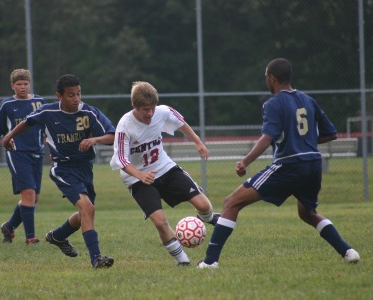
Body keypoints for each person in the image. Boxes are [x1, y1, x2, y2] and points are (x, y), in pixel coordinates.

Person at [197, 58, 360, 269]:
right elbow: (331, 134)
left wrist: (245, 162)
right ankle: (348, 251)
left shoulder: (273, 103)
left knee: (231, 203)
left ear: (271, 78)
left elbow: (267, 138)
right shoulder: (309, 101)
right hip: (313, 164)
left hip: (289, 165)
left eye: (266, 77)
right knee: (307, 213)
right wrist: (305, 141)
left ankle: (209, 262)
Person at [3, 74, 115, 269]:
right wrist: (8, 137)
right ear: (59, 96)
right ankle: (96, 258)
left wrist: (94, 140)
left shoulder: (89, 112)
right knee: (88, 209)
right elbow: (27, 122)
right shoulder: (48, 111)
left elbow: (112, 135)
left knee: (84, 214)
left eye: (79, 94)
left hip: (85, 169)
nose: (76, 99)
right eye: (71, 95)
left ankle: (58, 236)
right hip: (62, 168)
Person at [110, 81, 219, 266]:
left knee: (204, 205)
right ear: (135, 107)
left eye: (152, 108)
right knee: (160, 222)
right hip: (137, 179)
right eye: (145, 109)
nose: (150, 113)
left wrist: (198, 142)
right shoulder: (125, 126)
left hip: (165, 168)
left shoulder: (163, 111)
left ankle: (206, 220)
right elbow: (121, 160)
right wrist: (140, 176)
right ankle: (182, 261)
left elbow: (181, 123)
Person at [0, 69, 45, 244]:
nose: (22, 87)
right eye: (19, 84)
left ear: (30, 84)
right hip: (17, 153)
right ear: (12, 86)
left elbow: (46, 127)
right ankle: (30, 238)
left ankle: (9, 227)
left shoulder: (40, 102)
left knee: (34, 197)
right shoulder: (7, 105)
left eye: (25, 84)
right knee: (28, 193)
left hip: (37, 153)